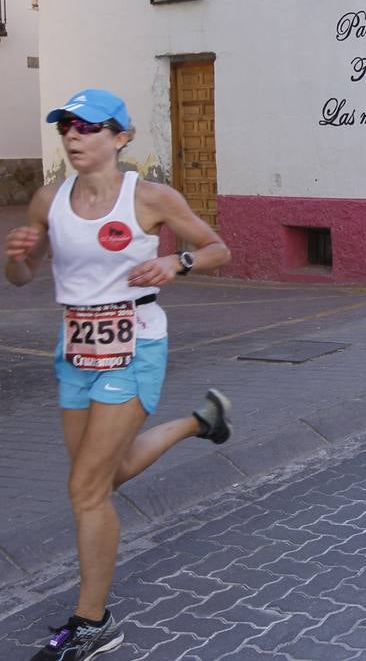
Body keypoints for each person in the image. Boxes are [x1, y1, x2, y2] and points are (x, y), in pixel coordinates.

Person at [4, 88, 234, 661]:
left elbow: (217, 249)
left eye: (87, 126)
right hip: (75, 346)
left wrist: (175, 260)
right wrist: (16, 255)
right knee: (101, 480)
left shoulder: (151, 197)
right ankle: (197, 423)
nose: (74, 136)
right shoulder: (47, 199)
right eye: (66, 128)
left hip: (136, 344)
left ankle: (93, 622)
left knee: (84, 488)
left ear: (120, 136)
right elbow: (22, 277)